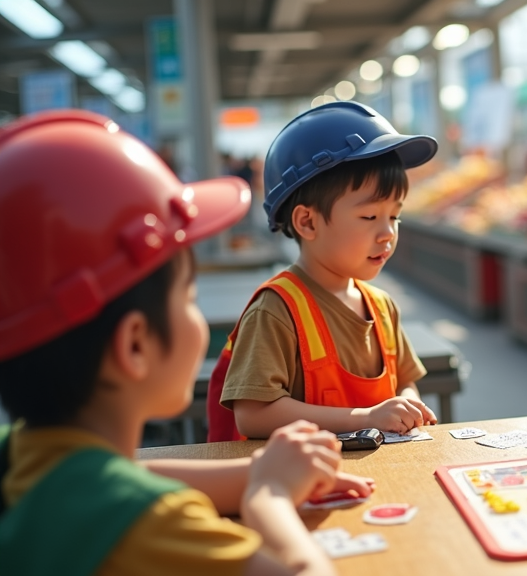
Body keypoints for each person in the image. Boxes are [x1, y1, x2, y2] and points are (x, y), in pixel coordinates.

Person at [0, 110, 375, 575]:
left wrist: (256, 473)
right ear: (134, 345)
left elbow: (127, 476)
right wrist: (268, 496)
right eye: (189, 296)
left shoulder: (21, 456)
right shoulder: (146, 525)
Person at [207, 101, 440, 441]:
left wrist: (407, 404)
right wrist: (368, 416)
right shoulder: (276, 311)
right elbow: (253, 416)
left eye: (394, 216)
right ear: (307, 221)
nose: (388, 232)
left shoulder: (382, 307)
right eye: (370, 217)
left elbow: (405, 381)